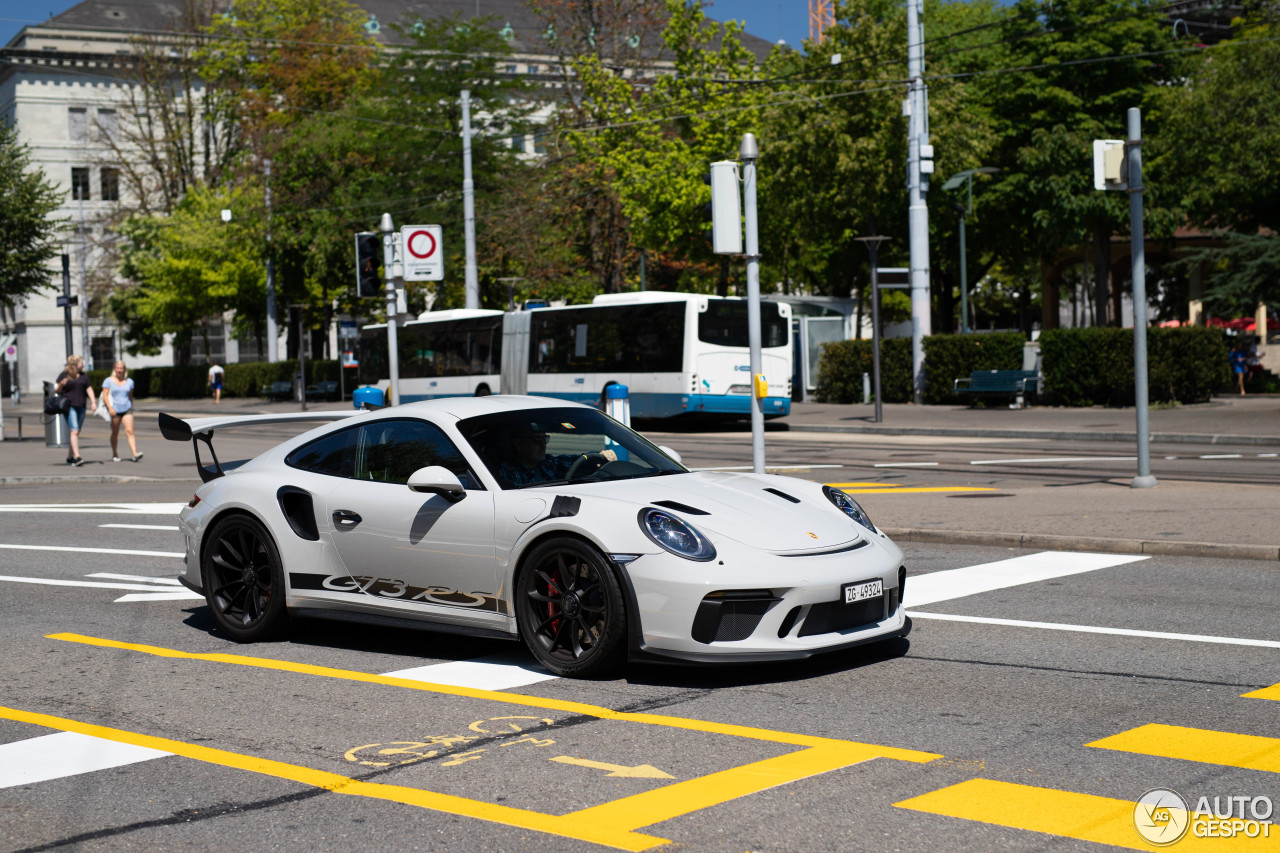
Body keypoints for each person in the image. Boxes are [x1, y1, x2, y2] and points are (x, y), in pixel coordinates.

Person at [496, 421, 615, 487]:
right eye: (537, 439)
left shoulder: (551, 463)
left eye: (545, 439)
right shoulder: (507, 472)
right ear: (518, 444)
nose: (543, 445)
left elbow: (579, 461)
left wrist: (601, 457)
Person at [54, 355, 95, 466]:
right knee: (74, 431)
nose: (83, 364)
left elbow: (89, 388)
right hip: (69, 406)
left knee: (75, 432)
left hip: (81, 406)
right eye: (81, 362)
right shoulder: (64, 375)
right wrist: (61, 385)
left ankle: (69, 457)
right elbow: (57, 390)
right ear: (75, 364)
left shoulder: (84, 376)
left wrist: (93, 401)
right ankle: (77, 457)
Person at [102, 360, 142, 462]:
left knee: (130, 431)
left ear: (124, 369)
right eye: (118, 368)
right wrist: (110, 408)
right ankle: (115, 453)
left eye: (121, 368)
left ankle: (134, 453)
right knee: (115, 432)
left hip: (127, 409)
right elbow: (105, 396)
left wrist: (131, 406)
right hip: (114, 410)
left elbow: (130, 396)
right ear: (115, 369)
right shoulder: (108, 381)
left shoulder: (130, 382)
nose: (119, 370)